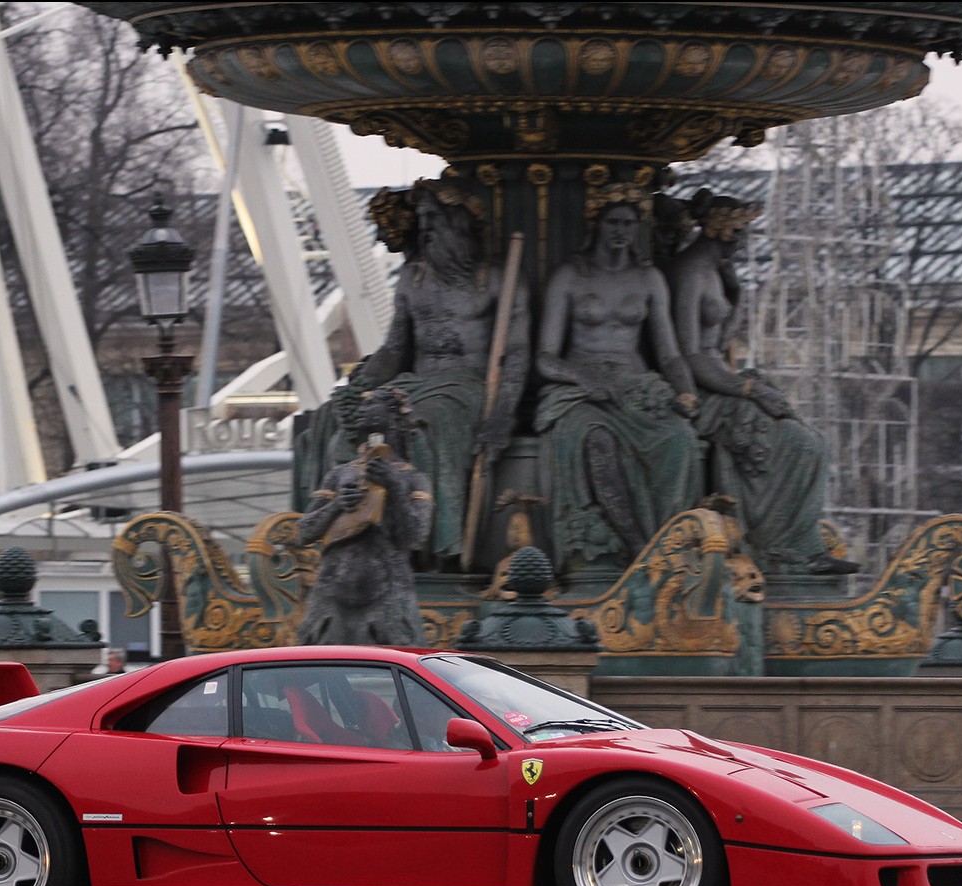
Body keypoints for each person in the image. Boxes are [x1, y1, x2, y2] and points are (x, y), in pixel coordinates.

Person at [297, 177, 530, 568]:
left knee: (421, 427)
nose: (427, 232)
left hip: (464, 387)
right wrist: (359, 388)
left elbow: (518, 355)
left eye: (435, 221)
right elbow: (394, 349)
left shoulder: (497, 280)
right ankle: (349, 536)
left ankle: (424, 551)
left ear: (459, 225)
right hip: (414, 383)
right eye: (423, 222)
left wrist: (503, 413)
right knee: (339, 427)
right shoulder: (413, 278)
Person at [669, 189, 858, 575]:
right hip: (698, 389)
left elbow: (720, 343)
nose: (745, 240)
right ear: (723, 231)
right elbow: (690, 355)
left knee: (812, 441)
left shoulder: (714, 273)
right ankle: (783, 548)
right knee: (800, 444)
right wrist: (749, 390)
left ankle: (792, 542)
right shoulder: (689, 272)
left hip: (720, 380)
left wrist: (735, 293)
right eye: (742, 232)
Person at [533, 183, 701, 567]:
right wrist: (583, 379)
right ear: (597, 223)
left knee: (680, 440)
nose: (621, 231)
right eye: (613, 222)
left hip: (636, 386)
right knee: (596, 441)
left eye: (629, 222)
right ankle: (636, 546)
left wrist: (687, 394)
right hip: (580, 388)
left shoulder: (649, 279)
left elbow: (671, 354)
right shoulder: (570, 277)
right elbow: (544, 357)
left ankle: (670, 542)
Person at [295, 388, 433, 645]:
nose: (362, 408)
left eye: (371, 404)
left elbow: (415, 537)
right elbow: (304, 532)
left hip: (386, 599)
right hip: (332, 598)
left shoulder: (414, 479)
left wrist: (394, 488)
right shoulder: (338, 475)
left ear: (392, 415)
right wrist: (337, 505)